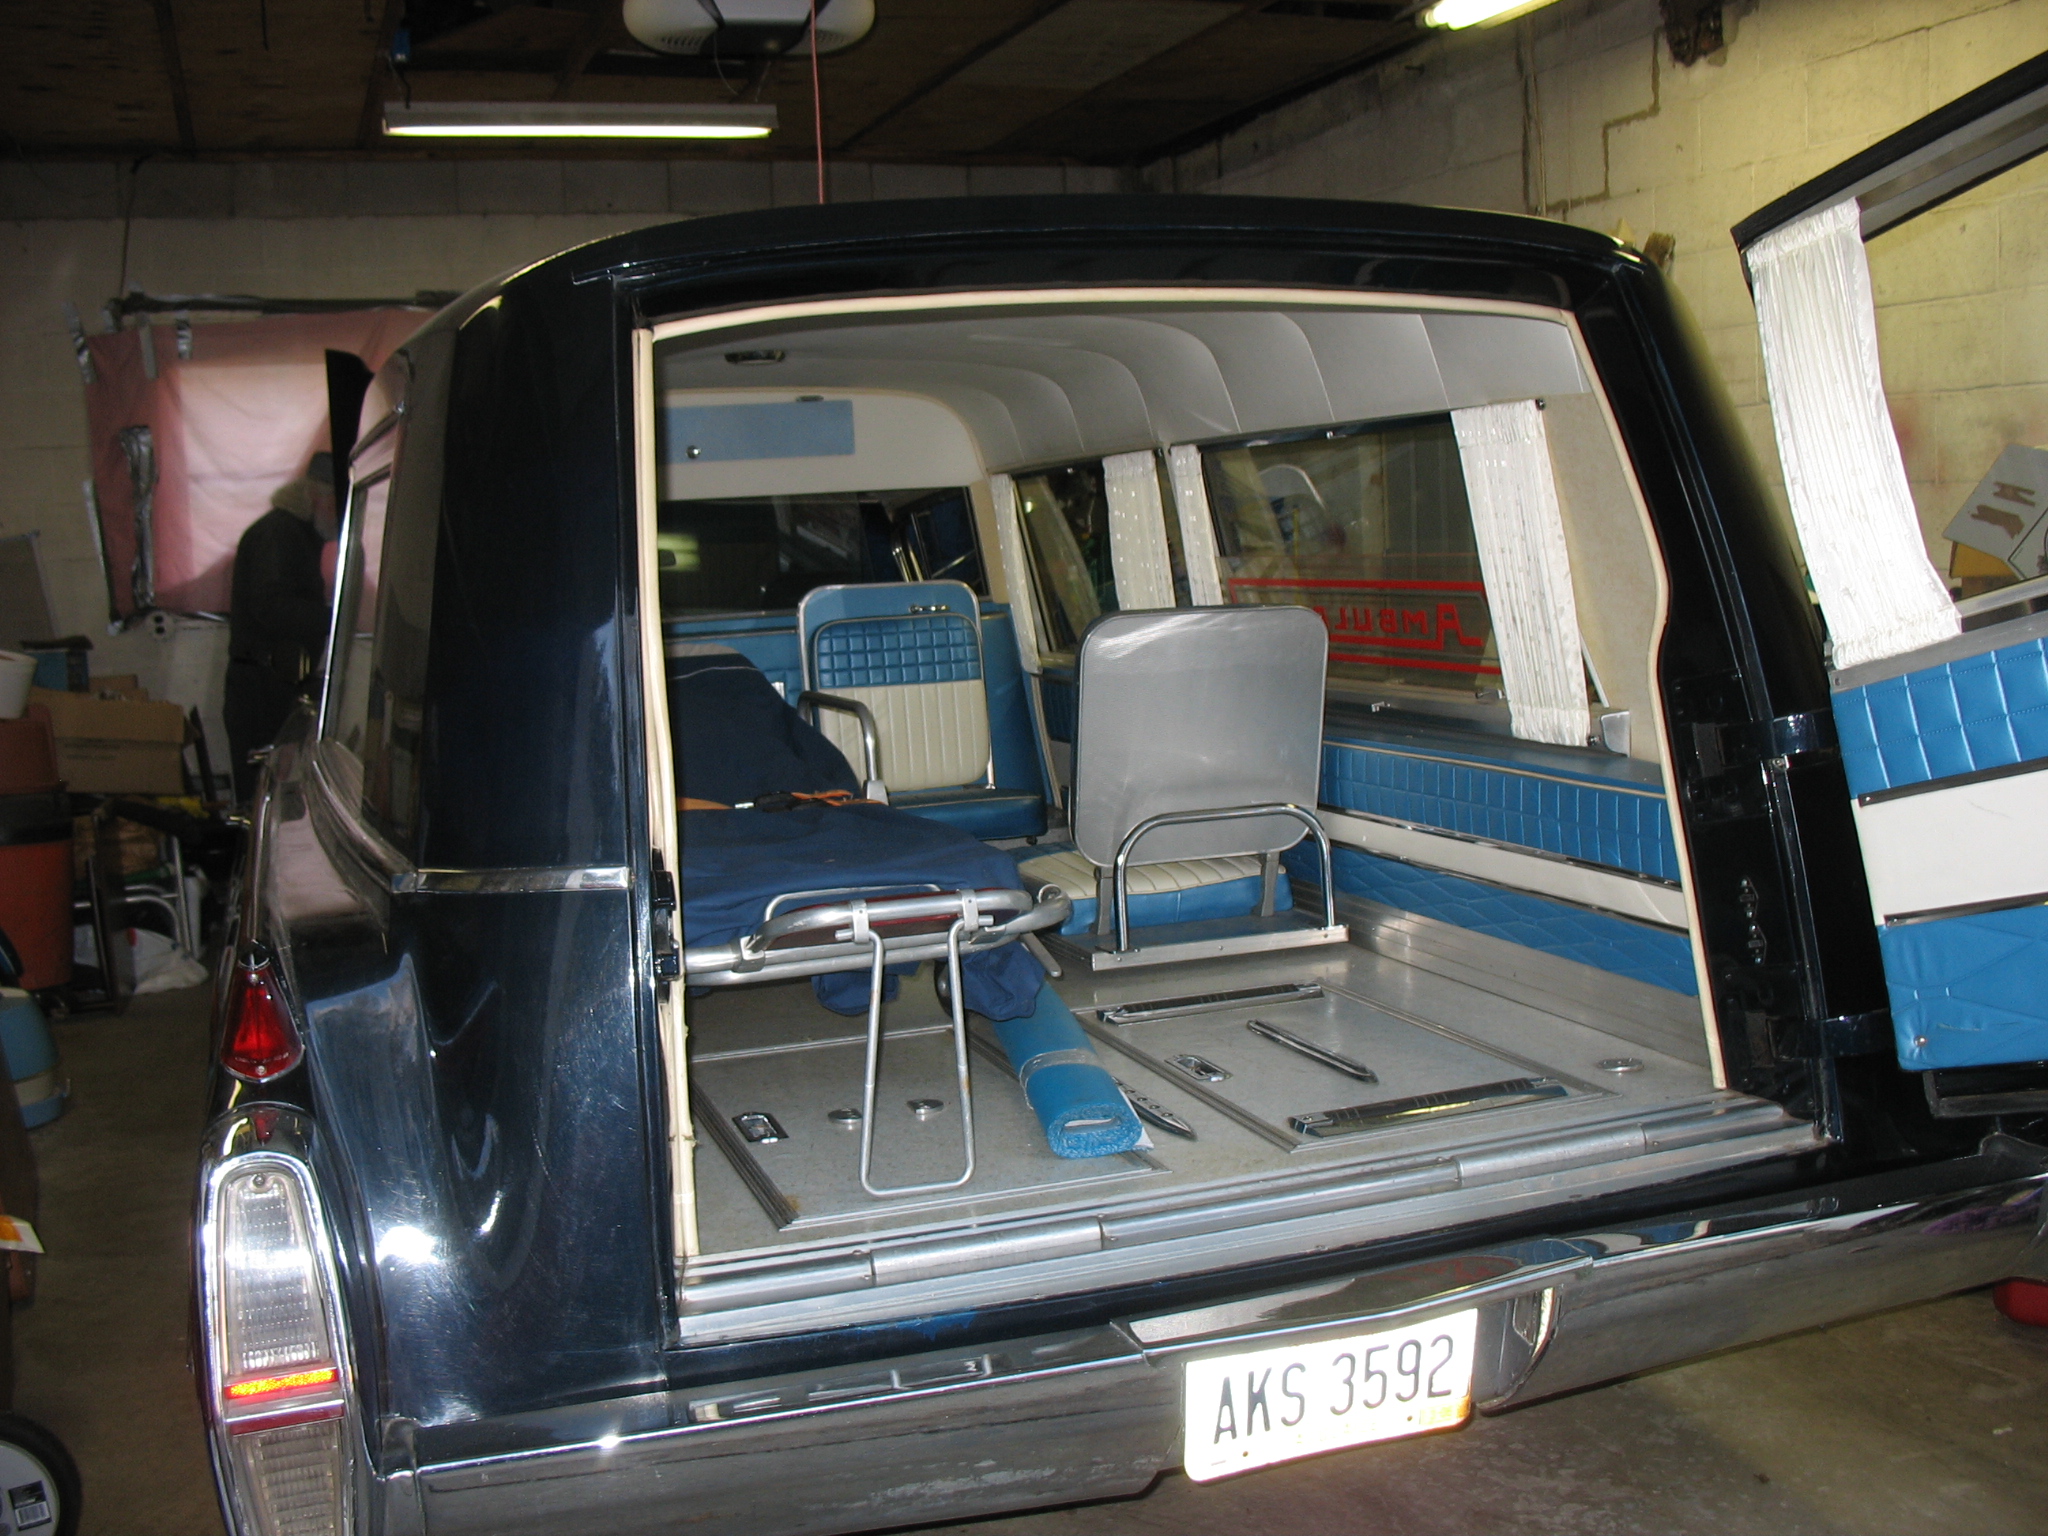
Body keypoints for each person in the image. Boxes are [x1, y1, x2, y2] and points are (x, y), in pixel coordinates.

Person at [223, 455, 337, 801]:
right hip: (262, 690)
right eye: (336, 502)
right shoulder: (278, 534)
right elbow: (270, 607)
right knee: (264, 796)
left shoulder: (294, 533)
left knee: (270, 793)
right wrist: (333, 618)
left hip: (272, 682)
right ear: (315, 497)